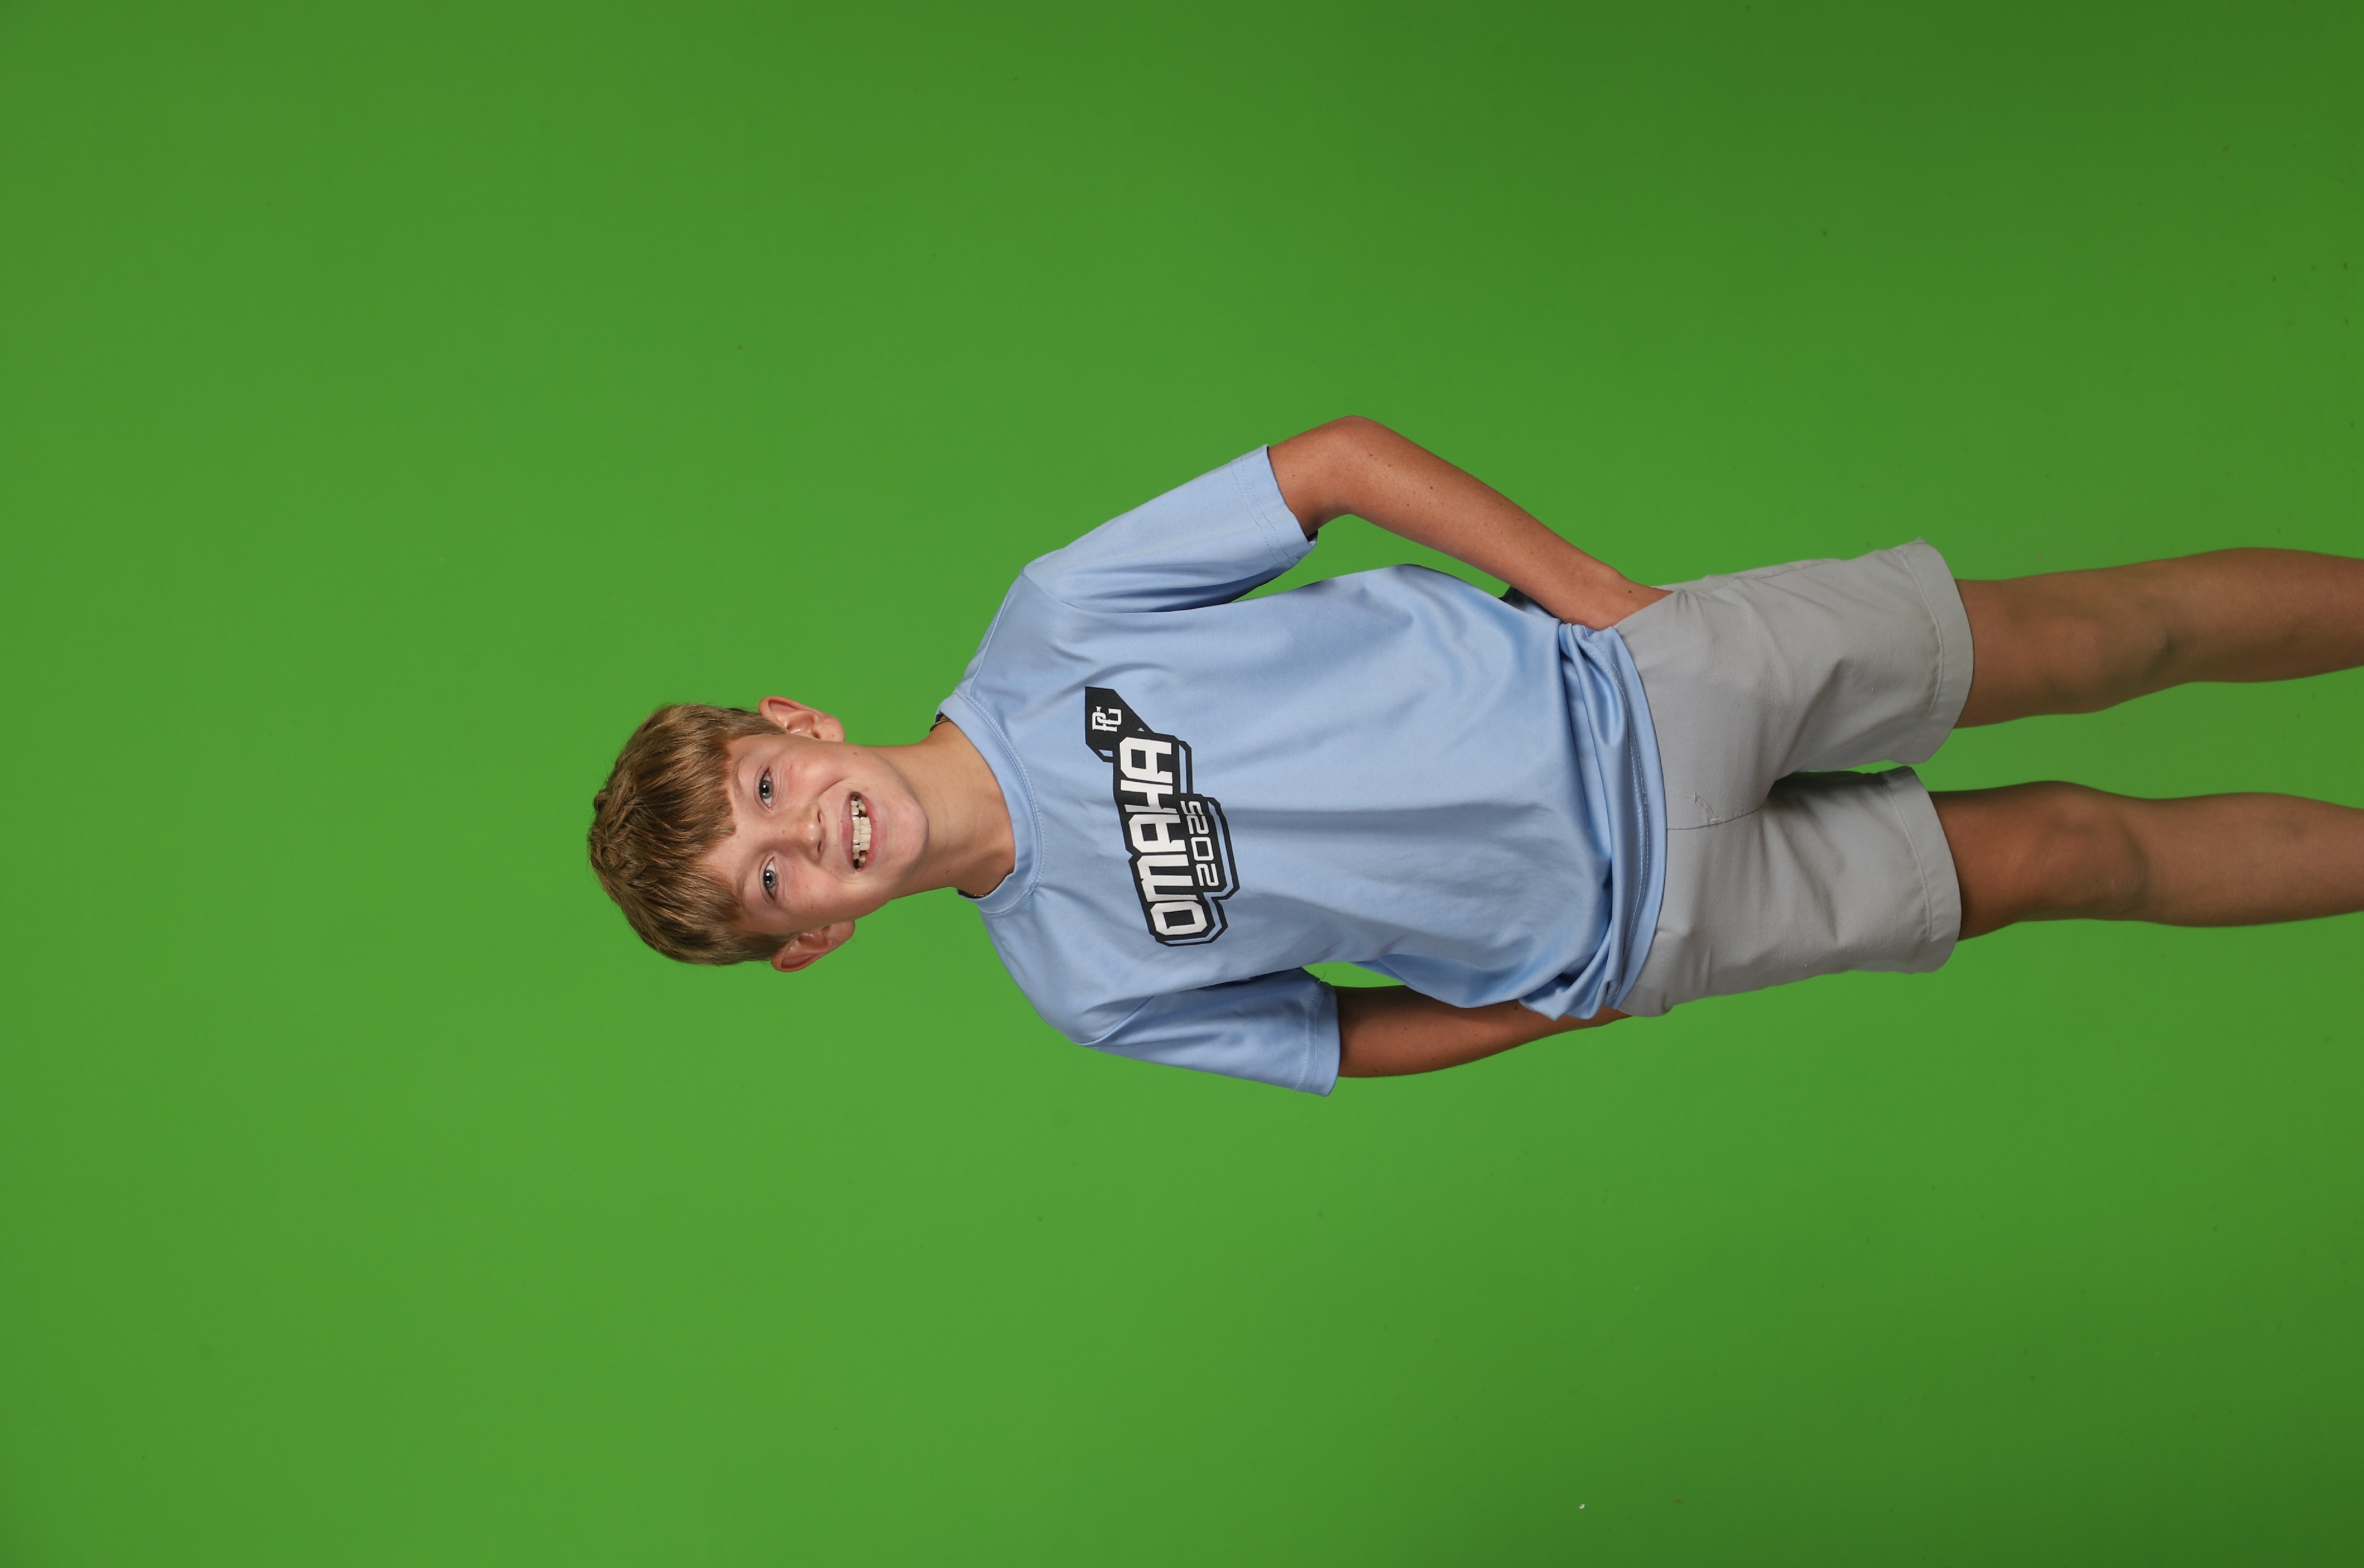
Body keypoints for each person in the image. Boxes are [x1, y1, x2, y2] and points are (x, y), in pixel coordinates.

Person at [586, 417, 2364, 1094]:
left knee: (2101, 637)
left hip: (1645, 690)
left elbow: (1335, 464)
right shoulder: (1083, 985)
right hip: (1654, 922)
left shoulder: (1056, 623)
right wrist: (1560, 1011)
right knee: (2073, 856)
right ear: (813, 941)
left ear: (795, 725)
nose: (806, 837)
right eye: (774, 883)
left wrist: (1611, 606)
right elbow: (1335, 1041)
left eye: (765, 795)